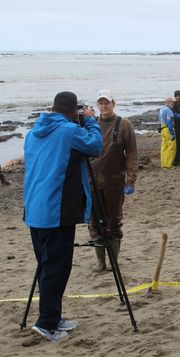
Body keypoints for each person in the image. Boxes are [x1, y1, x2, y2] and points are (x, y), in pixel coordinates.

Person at [24, 91, 103, 342]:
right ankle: (46, 323)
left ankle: (54, 318)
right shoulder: (68, 132)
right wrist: (89, 120)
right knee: (57, 269)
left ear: (52, 108)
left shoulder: (33, 133)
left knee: (47, 267)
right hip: (56, 211)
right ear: (72, 112)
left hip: (34, 209)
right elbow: (95, 145)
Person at [89, 90, 138, 272]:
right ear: (97, 105)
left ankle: (113, 261)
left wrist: (131, 180)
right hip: (92, 181)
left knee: (114, 222)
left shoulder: (124, 125)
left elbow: (132, 154)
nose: (104, 105)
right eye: (101, 103)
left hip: (114, 182)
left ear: (113, 103)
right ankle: (100, 262)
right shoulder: (91, 124)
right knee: (95, 223)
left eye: (107, 102)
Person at [160, 97, 177, 168]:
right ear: (168, 102)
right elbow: (169, 121)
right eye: (172, 102)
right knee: (171, 147)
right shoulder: (168, 110)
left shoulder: (162, 109)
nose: (173, 103)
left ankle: (163, 164)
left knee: (164, 147)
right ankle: (168, 164)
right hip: (167, 129)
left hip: (162, 129)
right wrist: (172, 132)